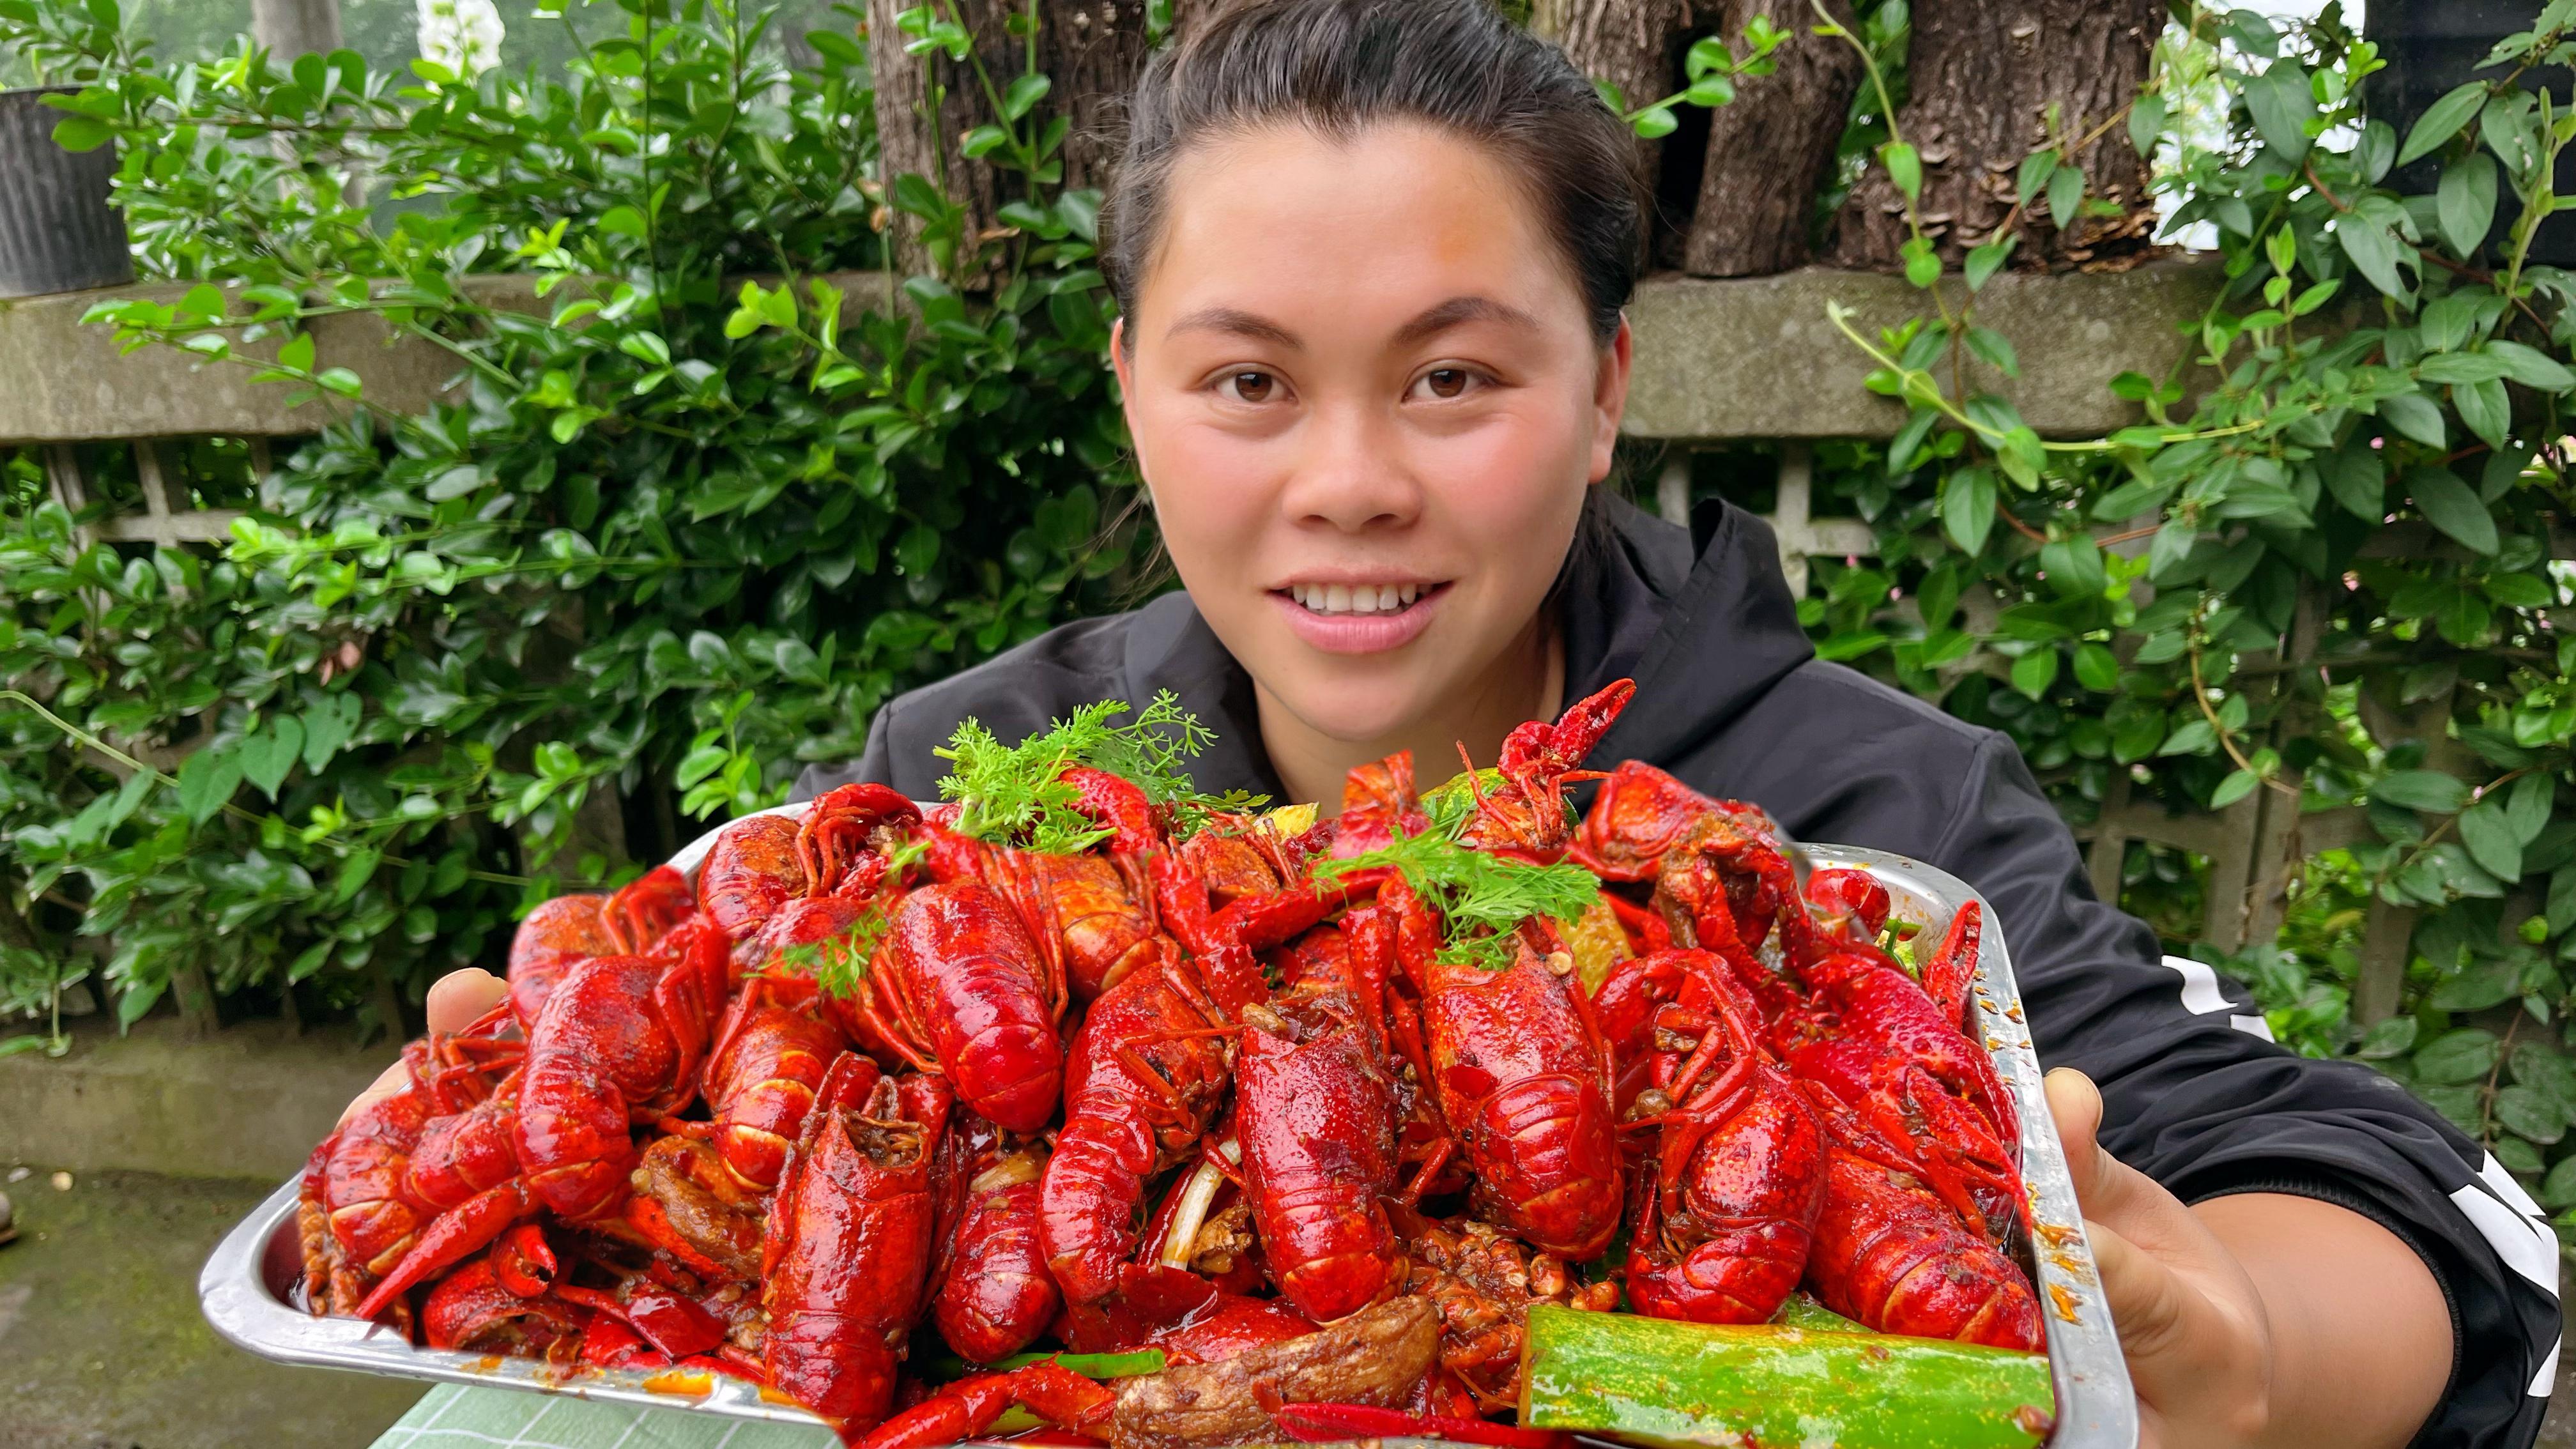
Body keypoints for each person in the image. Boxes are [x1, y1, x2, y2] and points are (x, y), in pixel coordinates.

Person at [379, 2, 2557, 1445]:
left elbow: (2433, 1213)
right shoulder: (971, 774)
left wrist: (2239, 1345)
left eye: (1453, 375)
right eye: (1246, 380)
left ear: (1609, 391)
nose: (1348, 480)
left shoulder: (1851, 814)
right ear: (1126, 388)